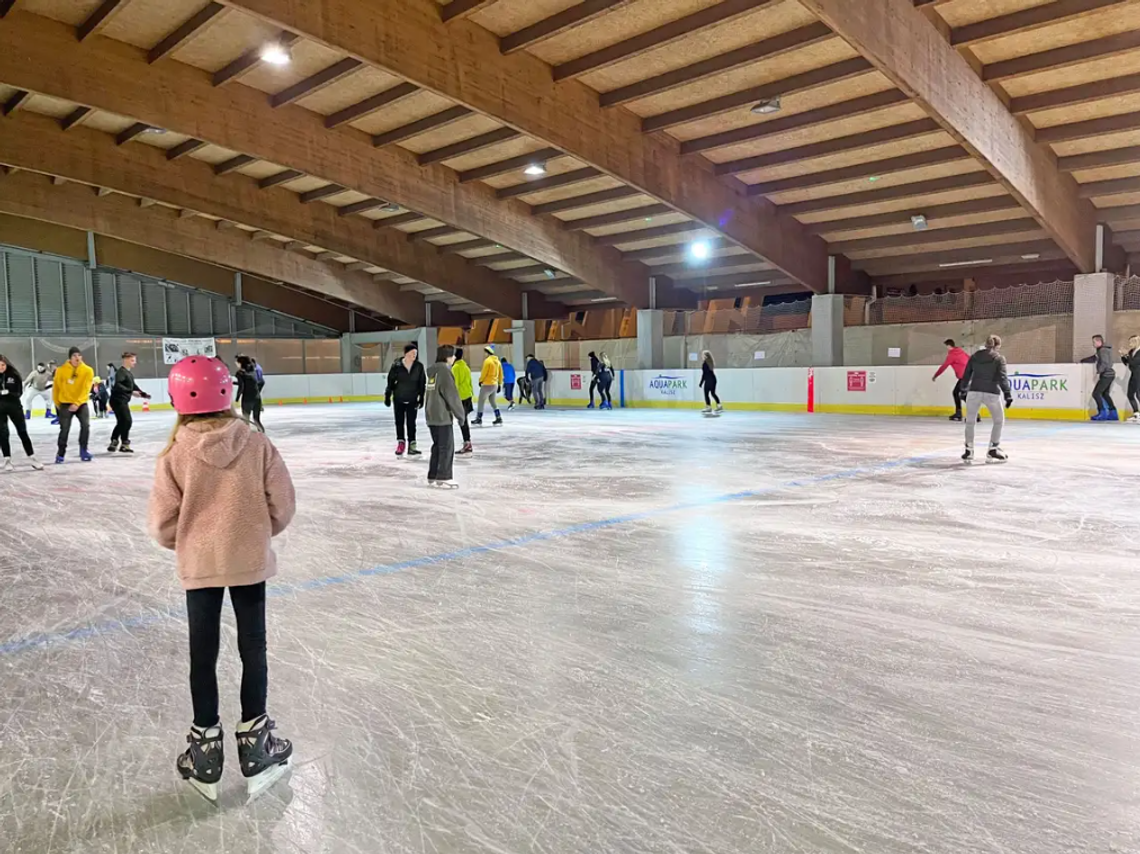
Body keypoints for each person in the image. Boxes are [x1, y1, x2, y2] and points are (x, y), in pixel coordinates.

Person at [148, 356, 296, 804]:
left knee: (203, 652)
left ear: (178, 399)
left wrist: (192, 540)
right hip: (248, 560)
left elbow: (160, 524)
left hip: (200, 565)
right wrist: (254, 532)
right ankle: (256, 745)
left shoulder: (176, 454)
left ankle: (205, 753)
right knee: (254, 647)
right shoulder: (255, 443)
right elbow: (283, 504)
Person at [960, 334, 1012, 464]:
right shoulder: (999, 358)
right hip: (991, 393)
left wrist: (963, 389)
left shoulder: (975, 356)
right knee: (999, 421)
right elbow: (1002, 378)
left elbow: (966, 374)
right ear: (997, 346)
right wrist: (1007, 394)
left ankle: (969, 450)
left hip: (974, 391)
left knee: (970, 422)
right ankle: (993, 449)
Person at [424, 344, 466, 488]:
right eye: (453, 355)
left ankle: (433, 474)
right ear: (447, 356)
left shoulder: (433, 371)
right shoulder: (444, 371)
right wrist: (461, 415)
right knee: (447, 446)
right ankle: (444, 476)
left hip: (431, 414)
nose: (454, 358)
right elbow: (451, 395)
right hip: (442, 415)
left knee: (437, 446)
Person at [0, 355, 44, 472]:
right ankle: (7, 459)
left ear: (7, 364)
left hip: (15, 408)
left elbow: (19, 391)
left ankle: (32, 457)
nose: (1, 367)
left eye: (3, 365)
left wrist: (9, 393)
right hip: (0, 410)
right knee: (3, 434)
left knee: (22, 432)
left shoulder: (13, 375)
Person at [53, 347, 94, 464]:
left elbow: (86, 389)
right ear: (70, 358)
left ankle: (83, 450)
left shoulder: (88, 370)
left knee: (85, 426)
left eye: (79, 355)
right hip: (65, 403)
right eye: (74, 356)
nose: (77, 358)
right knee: (64, 429)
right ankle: (60, 453)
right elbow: (56, 388)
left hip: (81, 403)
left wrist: (77, 403)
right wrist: (57, 403)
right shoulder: (61, 370)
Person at [385, 343, 426, 456]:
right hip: (399, 398)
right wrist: (388, 395)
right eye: (413, 353)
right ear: (406, 353)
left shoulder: (419, 366)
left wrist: (421, 397)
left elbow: (422, 383)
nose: (415, 355)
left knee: (411, 423)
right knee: (399, 422)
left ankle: (412, 446)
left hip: (412, 399)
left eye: (416, 353)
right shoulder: (397, 365)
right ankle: (401, 443)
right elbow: (390, 381)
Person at [108, 352, 152, 454]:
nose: (135, 362)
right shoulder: (120, 373)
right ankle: (122, 443)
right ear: (125, 360)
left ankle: (117, 442)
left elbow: (133, 386)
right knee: (127, 421)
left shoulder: (128, 373)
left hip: (121, 400)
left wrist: (142, 393)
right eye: (132, 360)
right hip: (117, 400)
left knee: (122, 421)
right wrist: (131, 392)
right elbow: (117, 385)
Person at [933, 338, 970, 421]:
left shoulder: (952, 355)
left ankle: (971, 413)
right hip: (968, 376)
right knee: (958, 393)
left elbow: (944, 366)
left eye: (947, 346)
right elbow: (970, 359)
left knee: (961, 395)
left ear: (949, 346)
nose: (947, 349)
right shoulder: (962, 352)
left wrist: (935, 375)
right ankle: (959, 412)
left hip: (964, 377)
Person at [1084, 335, 1118, 421]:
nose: (1093, 344)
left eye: (1094, 342)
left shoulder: (1102, 350)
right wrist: (1083, 360)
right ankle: (1113, 413)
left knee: (1096, 393)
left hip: (1106, 374)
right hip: (1109, 374)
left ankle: (1102, 412)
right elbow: (1095, 358)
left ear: (1099, 342)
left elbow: (1105, 363)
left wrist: (1099, 371)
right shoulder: (1103, 350)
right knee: (1105, 394)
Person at [452, 347, 475, 455]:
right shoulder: (466, 367)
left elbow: (454, 385)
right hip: (467, 396)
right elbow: (470, 382)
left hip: (460, 397)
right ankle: (467, 442)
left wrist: (452, 399)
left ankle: (467, 443)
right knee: (463, 420)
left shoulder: (456, 368)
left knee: (463, 421)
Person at [474, 345, 503, 426]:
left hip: (487, 384)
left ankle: (479, 418)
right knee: (493, 401)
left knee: (481, 401)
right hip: (495, 384)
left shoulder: (487, 361)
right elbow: (501, 374)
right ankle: (498, 417)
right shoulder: (498, 362)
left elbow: (484, 373)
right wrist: (499, 383)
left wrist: (480, 381)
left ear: (488, 353)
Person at [234, 356, 264, 432]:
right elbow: (251, 383)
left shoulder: (239, 373)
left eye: (237, 362)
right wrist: (234, 383)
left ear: (240, 363)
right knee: (256, 420)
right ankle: (263, 435)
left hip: (247, 399)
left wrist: (237, 398)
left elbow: (242, 386)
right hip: (257, 397)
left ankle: (247, 437)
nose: (236, 363)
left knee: (246, 420)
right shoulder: (253, 371)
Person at [1121, 335, 1140, 423]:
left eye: (1131, 342)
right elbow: (1128, 363)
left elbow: (1134, 362)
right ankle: (1136, 413)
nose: (1130, 344)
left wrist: (1126, 355)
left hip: (1138, 374)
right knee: (1131, 394)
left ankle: (1137, 413)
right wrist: (1123, 356)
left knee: (1136, 394)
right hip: (1134, 374)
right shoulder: (1131, 351)